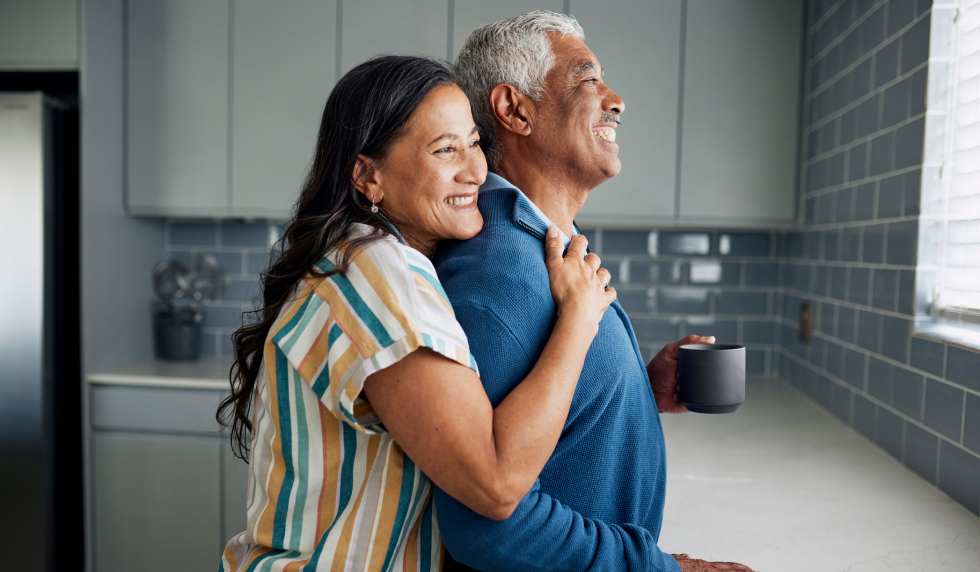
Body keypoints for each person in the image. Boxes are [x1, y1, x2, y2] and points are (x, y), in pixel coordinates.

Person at [216, 55, 617, 571]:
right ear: (368, 175)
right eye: (444, 149)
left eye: (474, 142)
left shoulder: (363, 258)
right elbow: (495, 484)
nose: (476, 169)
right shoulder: (379, 273)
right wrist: (579, 319)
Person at [432, 11, 755, 572]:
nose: (616, 100)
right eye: (587, 79)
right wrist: (659, 568)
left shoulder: (545, 245)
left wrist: (633, 388)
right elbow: (487, 530)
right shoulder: (498, 275)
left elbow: (539, 415)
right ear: (515, 110)